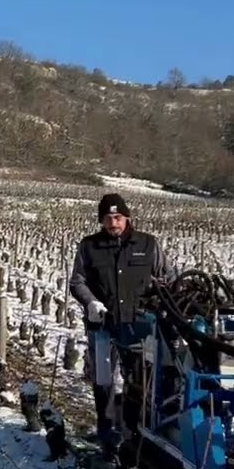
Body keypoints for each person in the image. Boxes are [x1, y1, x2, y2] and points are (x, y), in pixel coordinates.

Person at [68, 192, 170, 448]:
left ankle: (136, 435)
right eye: (108, 218)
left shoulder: (148, 245)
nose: (114, 223)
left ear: (127, 217)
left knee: (141, 382)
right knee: (103, 382)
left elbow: (166, 279)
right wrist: (90, 302)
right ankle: (107, 435)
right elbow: (77, 281)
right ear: (101, 221)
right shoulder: (89, 246)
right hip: (102, 326)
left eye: (118, 217)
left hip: (139, 328)